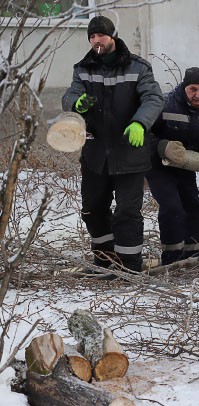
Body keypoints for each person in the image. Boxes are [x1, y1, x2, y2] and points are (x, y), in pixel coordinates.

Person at [62, 15, 164, 274]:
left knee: (127, 211)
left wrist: (141, 122)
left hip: (129, 153)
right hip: (96, 154)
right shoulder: (82, 68)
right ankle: (105, 261)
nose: (96, 41)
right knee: (93, 208)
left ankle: (129, 266)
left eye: (101, 36)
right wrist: (76, 104)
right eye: (92, 37)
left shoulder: (138, 67)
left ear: (113, 37)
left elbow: (153, 97)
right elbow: (70, 95)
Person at [146, 67, 199, 265]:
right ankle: (172, 259)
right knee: (172, 207)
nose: (198, 95)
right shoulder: (164, 104)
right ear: (184, 87)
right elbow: (143, 134)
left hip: (185, 168)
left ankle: (194, 258)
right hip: (158, 165)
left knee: (194, 208)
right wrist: (163, 146)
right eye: (193, 89)